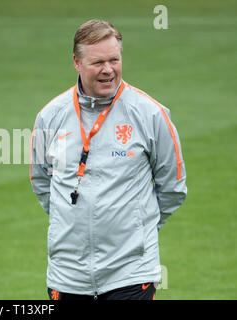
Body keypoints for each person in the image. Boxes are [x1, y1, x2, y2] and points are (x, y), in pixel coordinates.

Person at [30, 19, 187, 300]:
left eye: (114, 60)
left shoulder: (150, 114)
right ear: (77, 63)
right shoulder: (49, 116)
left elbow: (173, 187)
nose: (108, 70)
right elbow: (42, 182)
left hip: (131, 273)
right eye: (98, 62)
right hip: (67, 276)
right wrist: (70, 224)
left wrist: (138, 228)